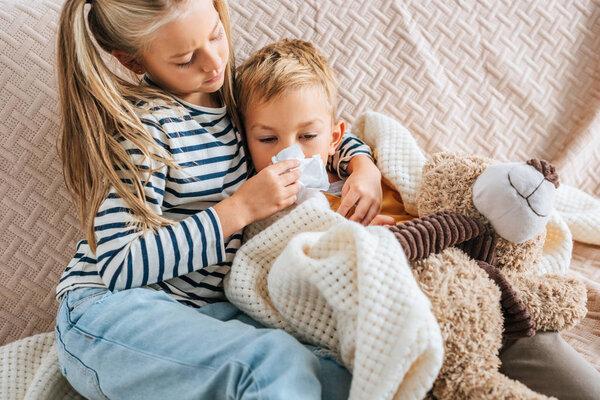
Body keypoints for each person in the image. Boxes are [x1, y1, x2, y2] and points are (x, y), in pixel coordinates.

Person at [234, 38, 600, 400]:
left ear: (334, 137)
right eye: (268, 139)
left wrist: (366, 169)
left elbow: (432, 187)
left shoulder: (372, 166)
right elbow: (283, 272)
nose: (291, 152)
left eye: (307, 135)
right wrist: (350, 243)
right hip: (411, 321)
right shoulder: (270, 209)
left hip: (486, 298)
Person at [54, 1, 383, 399]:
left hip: (202, 314)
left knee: (343, 375)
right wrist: (238, 210)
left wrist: (363, 166)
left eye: (215, 34)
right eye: (186, 58)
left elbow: (310, 127)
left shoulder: (232, 95)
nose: (214, 63)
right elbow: (118, 265)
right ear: (133, 61)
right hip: (107, 313)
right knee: (273, 364)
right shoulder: (145, 131)